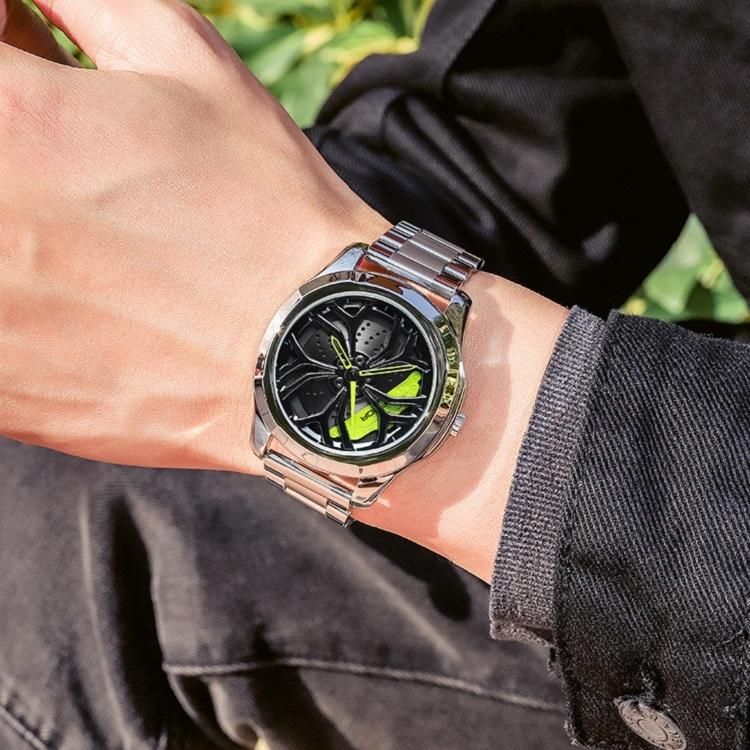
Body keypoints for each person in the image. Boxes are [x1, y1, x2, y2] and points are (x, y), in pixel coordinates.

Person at [0, 0, 747, 748]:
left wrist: (266, 306)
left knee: (65, 557)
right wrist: (171, 218)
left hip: (697, 576)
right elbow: (512, 128)